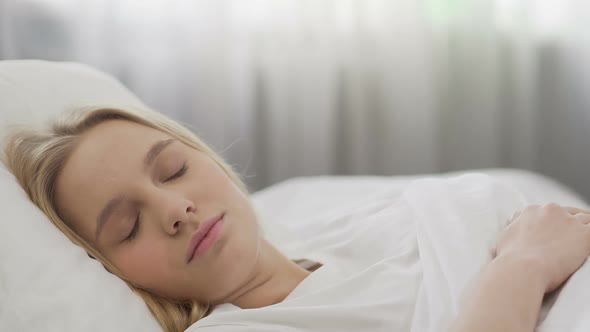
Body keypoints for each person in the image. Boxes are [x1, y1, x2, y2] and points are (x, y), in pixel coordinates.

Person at [3, 105, 590, 332]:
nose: (175, 210)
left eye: (175, 169)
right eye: (127, 227)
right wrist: (523, 265)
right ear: (110, 270)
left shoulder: (369, 223)